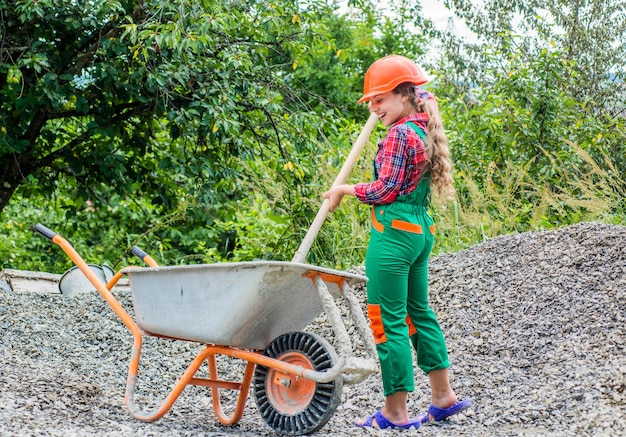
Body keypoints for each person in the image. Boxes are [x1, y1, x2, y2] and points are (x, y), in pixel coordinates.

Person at [323, 55, 472, 430]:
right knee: (418, 314)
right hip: (420, 234)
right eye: (371, 102)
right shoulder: (423, 128)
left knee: (388, 322)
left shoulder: (397, 135)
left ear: (404, 96)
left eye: (380, 99)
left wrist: (344, 188)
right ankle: (442, 398)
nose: (374, 108)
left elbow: (385, 189)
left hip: (392, 238)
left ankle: (395, 412)